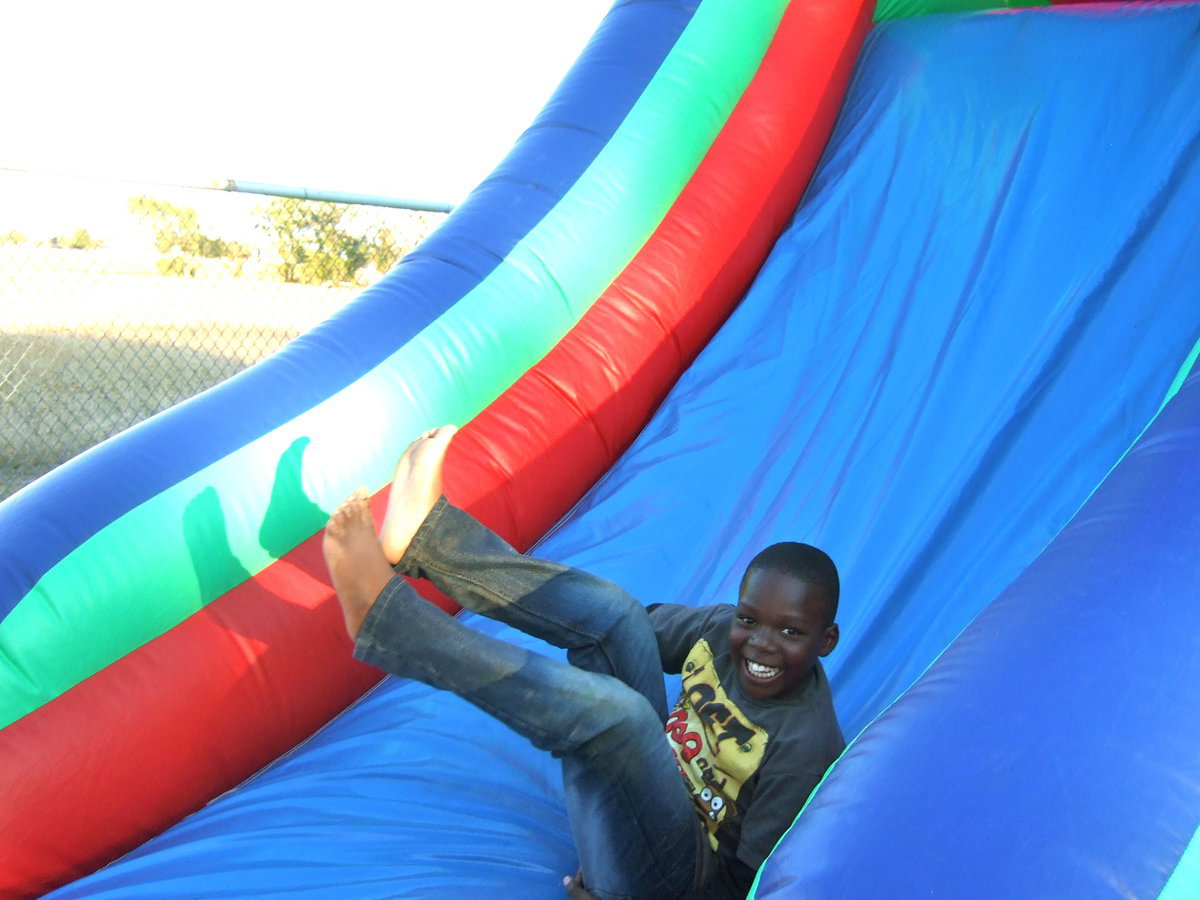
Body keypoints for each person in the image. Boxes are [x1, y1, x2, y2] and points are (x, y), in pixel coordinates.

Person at [323, 425, 844, 899]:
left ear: (826, 641)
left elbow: (743, 884)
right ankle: (427, 541)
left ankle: (391, 625)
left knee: (624, 717)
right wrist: (620, 631)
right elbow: (625, 631)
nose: (761, 644)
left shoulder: (804, 745)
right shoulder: (723, 631)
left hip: (665, 881)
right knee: (616, 615)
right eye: (750, 620)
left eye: (791, 632)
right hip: (635, 793)